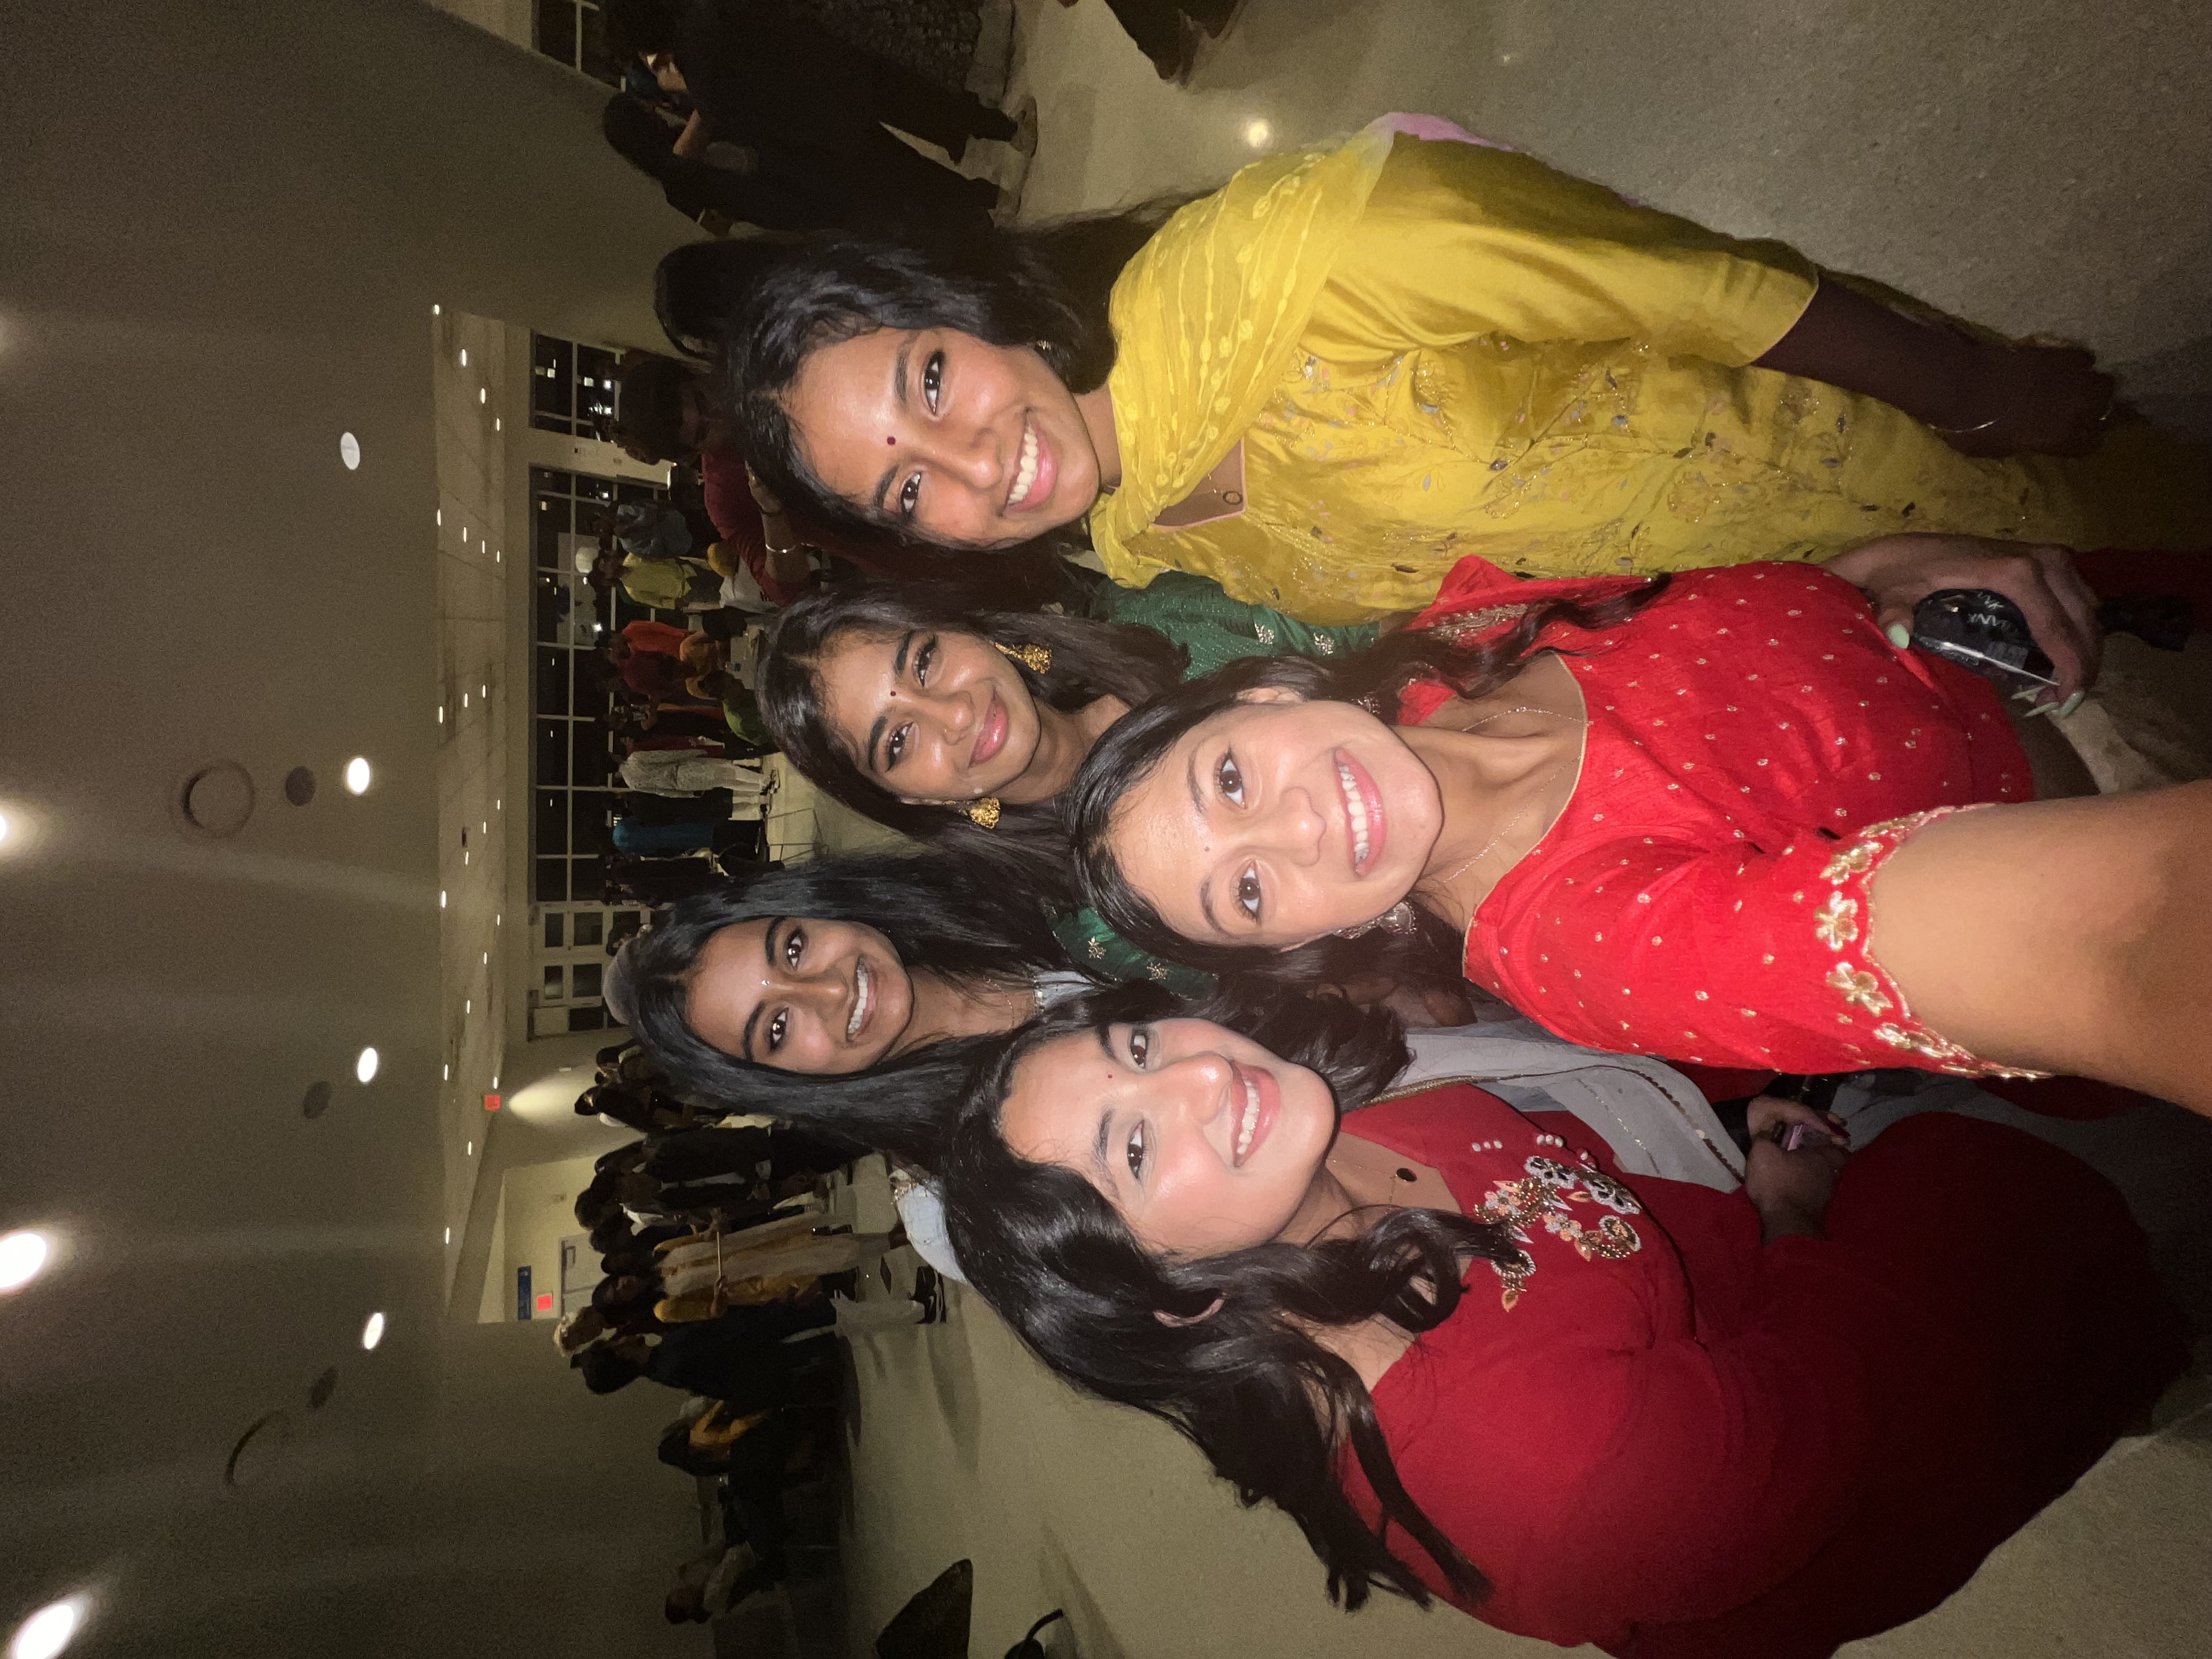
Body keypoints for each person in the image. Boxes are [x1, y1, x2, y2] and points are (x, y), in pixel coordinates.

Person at [933, 995, 2185, 1656]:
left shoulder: (1321, 1139)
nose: (1202, 1074)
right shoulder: (1542, 1471)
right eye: (1134, 1146)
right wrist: (1795, 1216)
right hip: (1868, 1416)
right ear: (1175, 1294)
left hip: (1767, 1261)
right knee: (2093, 1253)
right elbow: (1844, 1411)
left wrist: (1747, 1204)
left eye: (1137, 1043)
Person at [727, 116, 2206, 645]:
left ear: (975, 311)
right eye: (910, 489)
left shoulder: (1290, 254)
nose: (977, 466)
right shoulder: (1139, 538)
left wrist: (1971, 389)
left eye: (933, 381)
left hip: (1878, 432)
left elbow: (1689, 285)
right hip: (1813, 576)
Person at [1064, 548, 2212, 1112]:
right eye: (1250, 894)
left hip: (2074, 586)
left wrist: (1880, 567)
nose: (1292, 830)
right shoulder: (1583, 944)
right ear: (1297, 948)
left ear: (1259, 698)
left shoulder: (1463, 626)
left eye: (1225, 781)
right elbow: (2121, 952)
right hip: (2130, 776)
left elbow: (1739, 546)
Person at [757, 577, 1379, 890]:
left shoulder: (1161, 615)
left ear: (965, 630)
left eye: (924, 662)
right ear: (910, 800)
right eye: (897, 743)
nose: (954, 714)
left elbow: (1381, 618)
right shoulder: (1099, 918)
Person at [622, 853, 1088, 1158]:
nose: (831, 992)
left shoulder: (996, 875)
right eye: (778, 1028)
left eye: (794, 949)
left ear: (814, 909)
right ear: (779, 1082)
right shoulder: (983, 1174)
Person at [602, 0, 1019, 231]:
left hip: (824, 130)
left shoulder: (702, 89)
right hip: (838, 69)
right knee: (925, 103)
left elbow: (754, 130)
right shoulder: (711, 13)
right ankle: (1009, 132)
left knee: (910, 174)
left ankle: (990, 199)